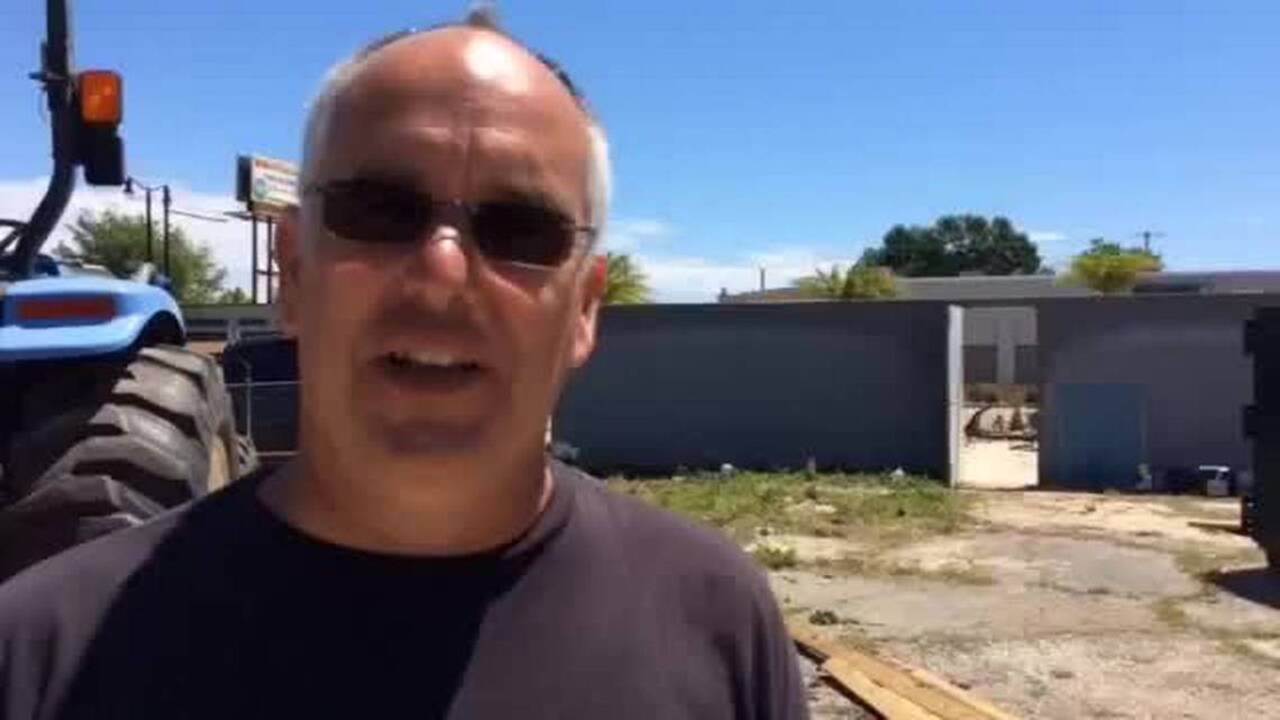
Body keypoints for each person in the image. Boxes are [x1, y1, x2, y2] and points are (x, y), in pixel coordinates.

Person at [0, 11, 808, 720]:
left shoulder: (718, 622)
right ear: (294, 272)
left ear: (585, 309)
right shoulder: (43, 653)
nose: (443, 271)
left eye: (521, 229)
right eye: (380, 210)